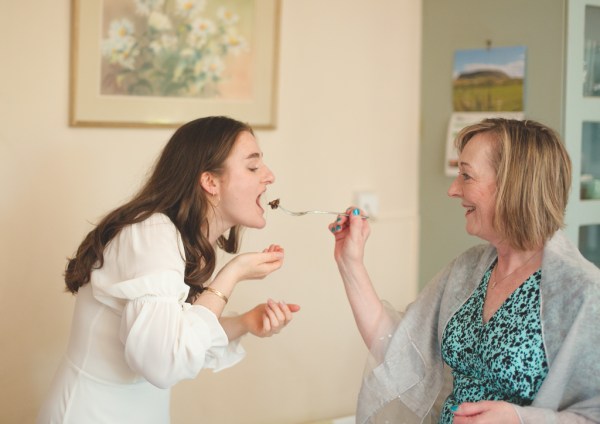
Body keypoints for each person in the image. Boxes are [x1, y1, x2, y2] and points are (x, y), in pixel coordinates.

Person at [328, 118, 600, 424]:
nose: (453, 190)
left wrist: (521, 419)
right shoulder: (468, 270)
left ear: (512, 186)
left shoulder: (582, 291)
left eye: (466, 176)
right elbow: (400, 349)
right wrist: (350, 262)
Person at [37, 116, 300, 423]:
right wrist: (233, 274)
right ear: (210, 182)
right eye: (253, 167)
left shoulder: (185, 240)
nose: (269, 176)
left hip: (143, 409)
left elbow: (180, 336)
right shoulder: (152, 233)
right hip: (93, 412)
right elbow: (164, 361)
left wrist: (245, 322)